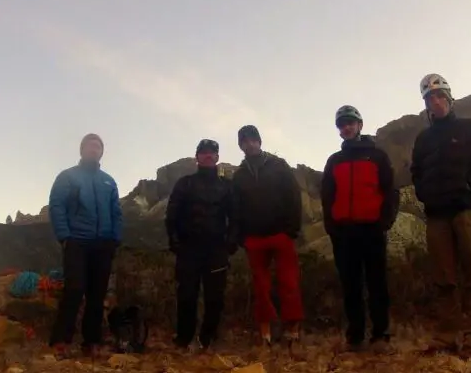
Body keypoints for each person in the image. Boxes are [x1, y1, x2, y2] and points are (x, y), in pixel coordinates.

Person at [411, 74, 471, 356]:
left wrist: (470, 186)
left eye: (440, 96)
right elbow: (416, 172)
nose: (436, 102)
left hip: (466, 210)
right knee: (444, 279)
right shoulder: (423, 139)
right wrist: (424, 193)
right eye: (430, 98)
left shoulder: (470, 129)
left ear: (450, 99)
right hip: (437, 215)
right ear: (426, 104)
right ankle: (447, 338)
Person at [320, 105, 399, 353]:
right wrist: (331, 226)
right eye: (342, 124)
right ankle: (355, 336)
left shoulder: (377, 156)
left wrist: (385, 221)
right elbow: (327, 196)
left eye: (350, 123)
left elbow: (391, 190)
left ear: (360, 125)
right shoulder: (334, 161)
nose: (346, 127)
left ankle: (381, 334)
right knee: (350, 286)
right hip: (344, 232)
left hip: (372, 229)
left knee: (377, 284)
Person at [47, 133, 124, 358]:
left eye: (98, 146)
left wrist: (115, 238)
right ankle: (61, 340)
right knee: (74, 289)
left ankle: (91, 342)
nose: (94, 149)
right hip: (77, 242)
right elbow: (57, 206)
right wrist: (65, 237)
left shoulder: (108, 181)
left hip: (103, 244)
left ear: (102, 152)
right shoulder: (68, 177)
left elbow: (116, 212)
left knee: (97, 294)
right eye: (90, 146)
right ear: (82, 150)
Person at [231, 124, 305, 347]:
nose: (249, 144)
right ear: (240, 146)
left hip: (280, 234)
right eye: (244, 141)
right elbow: (235, 208)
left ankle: (292, 328)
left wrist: (291, 229)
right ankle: (265, 331)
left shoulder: (278, 166)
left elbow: (294, 196)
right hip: (254, 238)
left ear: (259, 141)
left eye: (253, 139)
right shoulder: (239, 175)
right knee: (260, 287)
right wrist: (241, 236)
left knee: (288, 282)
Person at [165, 139, 238, 352]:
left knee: (215, 296)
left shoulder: (226, 186)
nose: (208, 156)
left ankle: (208, 339)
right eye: (204, 152)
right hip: (188, 247)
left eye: (212, 153)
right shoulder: (185, 183)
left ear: (217, 157)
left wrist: (231, 241)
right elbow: (172, 213)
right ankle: (184, 338)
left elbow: (235, 216)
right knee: (186, 294)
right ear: (197, 156)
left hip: (216, 248)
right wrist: (173, 238)